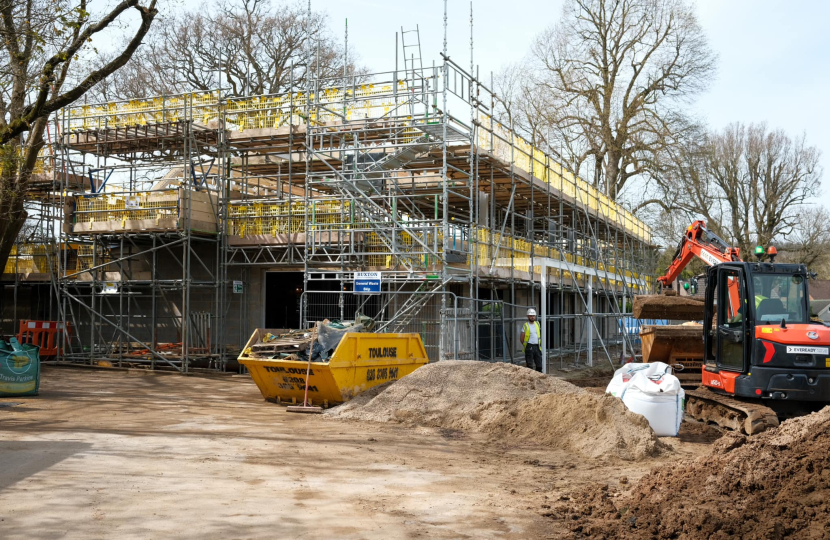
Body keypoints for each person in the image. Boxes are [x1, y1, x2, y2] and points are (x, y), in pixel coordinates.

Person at [520, 308, 542, 372]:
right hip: (529, 346)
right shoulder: (525, 325)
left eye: (533, 316)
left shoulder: (537, 324)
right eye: (531, 316)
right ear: (528, 316)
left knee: (539, 365)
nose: (532, 317)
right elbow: (522, 338)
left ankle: (538, 378)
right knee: (529, 366)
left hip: (537, 346)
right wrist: (526, 345)